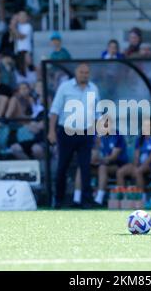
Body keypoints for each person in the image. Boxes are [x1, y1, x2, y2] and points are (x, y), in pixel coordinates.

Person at [48, 63, 100, 209]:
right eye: (82, 72)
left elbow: (97, 113)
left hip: (86, 132)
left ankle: (86, 200)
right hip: (67, 131)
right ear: (76, 73)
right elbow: (55, 110)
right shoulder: (65, 87)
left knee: (85, 167)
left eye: (87, 72)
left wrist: (99, 134)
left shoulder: (94, 88)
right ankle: (58, 200)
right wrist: (51, 131)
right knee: (62, 166)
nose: (84, 75)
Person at [116, 118, 151, 209]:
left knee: (139, 171)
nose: (146, 127)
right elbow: (136, 155)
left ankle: (143, 199)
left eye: (148, 125)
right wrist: (135, 164)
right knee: (121, 172)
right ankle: (121, 198)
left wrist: (142, 165)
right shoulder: (140, 139)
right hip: (140, 165)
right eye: (144, 125)